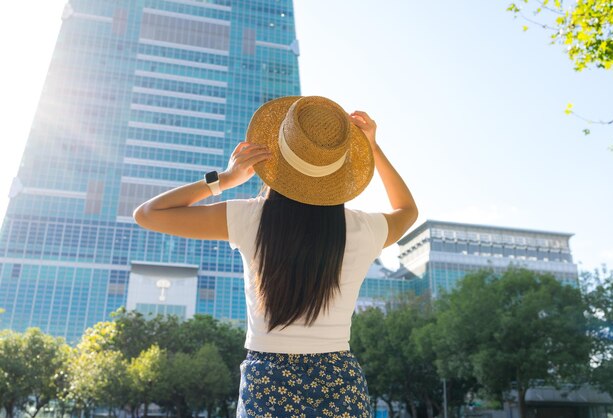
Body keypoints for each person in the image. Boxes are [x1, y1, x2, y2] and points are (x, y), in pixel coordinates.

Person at [134, 96, 418, 417]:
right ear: (338, 170)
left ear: (279, 157)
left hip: (267, 380)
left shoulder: (249, 217)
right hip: (339, 380)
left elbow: (149, 214)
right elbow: (407, 211)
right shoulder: (363, 228)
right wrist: (373, 148)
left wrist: (224, 180)